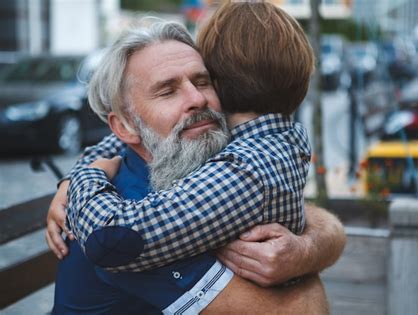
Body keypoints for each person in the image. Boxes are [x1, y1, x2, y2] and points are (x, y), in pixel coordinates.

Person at [47, 2, 346, 314]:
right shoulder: (133, 209)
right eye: (167, 91)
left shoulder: (201, 151)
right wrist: (308, 265)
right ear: (124, 126)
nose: (197, 99)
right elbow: (301, 310)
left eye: (203, 81)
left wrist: (306, 250)